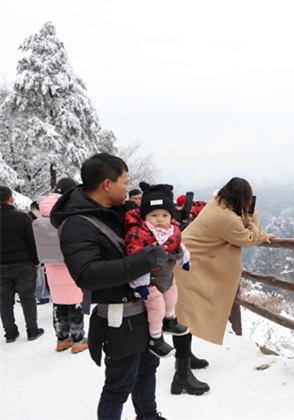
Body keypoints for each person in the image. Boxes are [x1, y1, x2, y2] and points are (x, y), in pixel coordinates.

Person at [50, 153, 167, 420]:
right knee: (118, 387)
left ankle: (148, 416)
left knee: (147, 369)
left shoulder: (117, 213)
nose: (128, 188)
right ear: (106, 184)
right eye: (125, 182)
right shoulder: (77, 224)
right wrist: (143, 261)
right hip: (118, 318)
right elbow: (87, 274)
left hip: (142, 313)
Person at [171, 177, 275, 395]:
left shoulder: (218, 205)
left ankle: (186, 359)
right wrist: (255, 220)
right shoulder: (224, 217)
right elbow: (246, 238)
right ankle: (181, 376)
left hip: (188, 266)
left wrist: (260, 234)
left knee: (185, 318)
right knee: (184, 319)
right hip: (188, 270)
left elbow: (239, 229)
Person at [124, 184, 191, 359]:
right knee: (157, 309)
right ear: (145, 216)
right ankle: (155, 338)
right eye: (154, 215)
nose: (160, 219)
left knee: (172, 298)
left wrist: (185, 260)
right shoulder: (140, 234)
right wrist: (140, 284)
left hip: (166, 276)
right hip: (149, 280)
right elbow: (137, 258)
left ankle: (170, 321)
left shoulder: (171, 230)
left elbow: (179, 245)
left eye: (164, 215)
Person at [38, 177, 88, 353]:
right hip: (70, 260)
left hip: (51, 263)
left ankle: (62, 339)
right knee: (75, 300)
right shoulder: (67, 208)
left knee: (58, 301)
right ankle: (78, 338)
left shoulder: (42, 208)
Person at [0, 186, 45, 343]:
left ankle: (10, 332)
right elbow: (31, 241)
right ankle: (32, 330)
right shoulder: (22, 217)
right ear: (11, 199)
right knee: (27, 298)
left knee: (4, 301)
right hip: (23, 263)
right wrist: (36, 261)